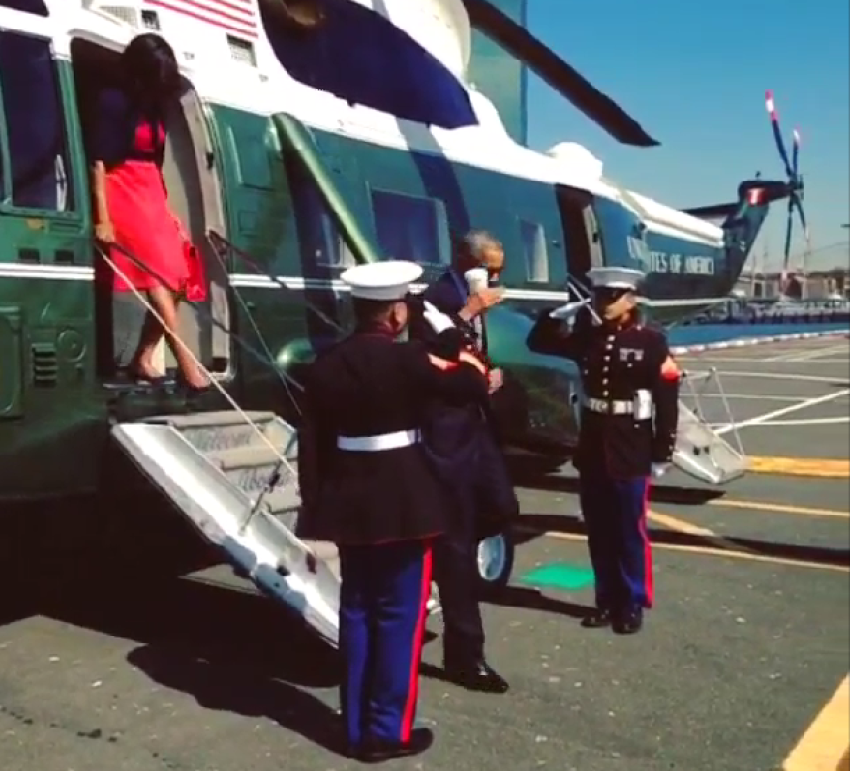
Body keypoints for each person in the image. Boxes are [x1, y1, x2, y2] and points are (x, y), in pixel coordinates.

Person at [296, 260, 491, 762]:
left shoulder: (325, 366)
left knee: (357, 614)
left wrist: (316, 508)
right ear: (397, 314)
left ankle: (357, 725)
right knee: (399, 619)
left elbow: (313, 446)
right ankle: (386, 731)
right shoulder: (410, 362)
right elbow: (473, 383)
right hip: (406, 503)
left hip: (349, 504)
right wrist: (458, 340)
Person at [526, 266, 680, 635]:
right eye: (599, 297)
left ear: (630, 300)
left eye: (612, 297)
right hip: (594, 446)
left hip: (631, 444)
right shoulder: (587, 337)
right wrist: (551, 317)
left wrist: (662, 451)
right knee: (599, 530)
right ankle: (606, 600)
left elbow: (667, 399)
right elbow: (539, 343)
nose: (603, 304)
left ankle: (631, 602)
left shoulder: (651, 341)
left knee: (629, 530)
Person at [409, 230, 517, 693]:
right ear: (465, 262)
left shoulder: (474, 300)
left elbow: (470, 354)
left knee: (502, 507)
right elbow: (432, 356)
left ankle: (445, 550)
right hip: (445, 433)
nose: (494, 278)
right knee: (455, 549)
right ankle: (465, 656)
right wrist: (468, 312)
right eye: (488, 269)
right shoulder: (436, 300)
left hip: (477, 428)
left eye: (499, 271)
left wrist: (486, 375)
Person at [90, 32, 208, 390]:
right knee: (158, 282)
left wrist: (170, 212)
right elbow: (98, 162)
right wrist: (103, 217)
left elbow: (156, 165)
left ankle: (143, 355)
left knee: (178, 277)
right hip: (121, 187)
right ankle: (190, 370)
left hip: (151, 191)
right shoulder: (112, 102)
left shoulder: (154, 108)